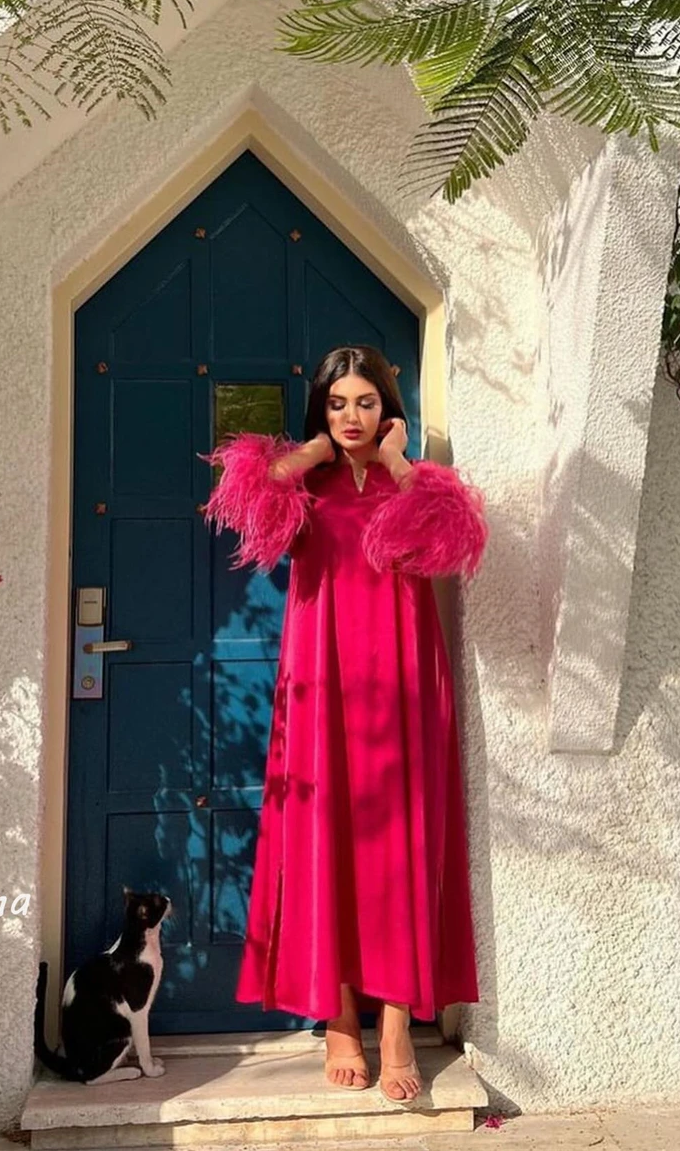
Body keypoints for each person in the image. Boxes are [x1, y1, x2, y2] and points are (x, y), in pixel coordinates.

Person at [199, 345, 488, 1103]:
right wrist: (317, 450)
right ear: (320, 411)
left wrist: (397, 462)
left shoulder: (414, 481)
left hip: (403, 684)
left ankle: (397, 1024)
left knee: (400, 848)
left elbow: (452, 541)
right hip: (320, 684)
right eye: (337, 404)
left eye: (364, 403)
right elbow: (246, 487)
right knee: (324, 841)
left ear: (389, 406)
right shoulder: (309, 482)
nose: (351, 417)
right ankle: (337, 1018)